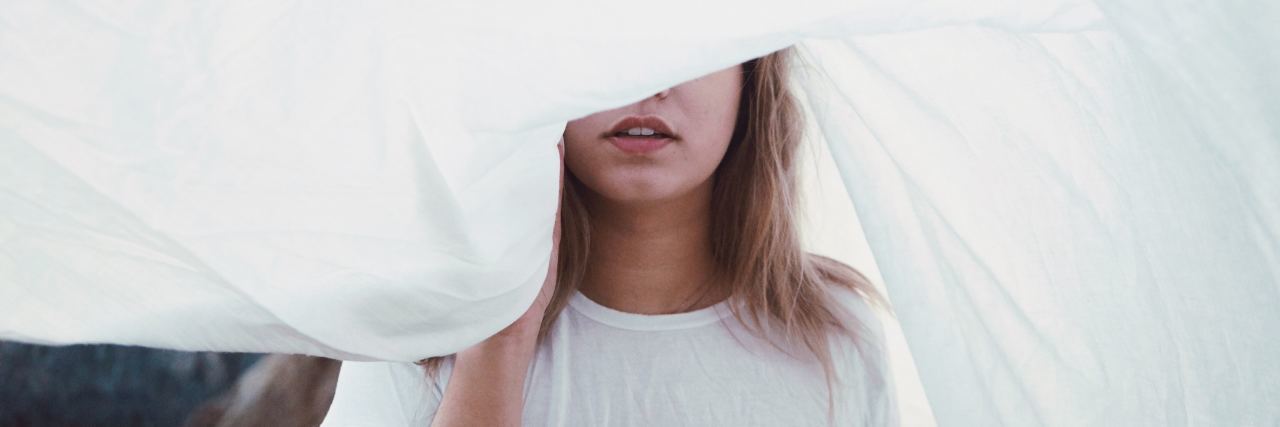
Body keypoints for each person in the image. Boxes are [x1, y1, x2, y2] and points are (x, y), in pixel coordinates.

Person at [321, 46, 898, 427]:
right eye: (603, 37)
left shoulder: (835, 338)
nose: (649, 81)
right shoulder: (424, 331)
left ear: (752, 77)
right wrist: (496, 353)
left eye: (692, 40)